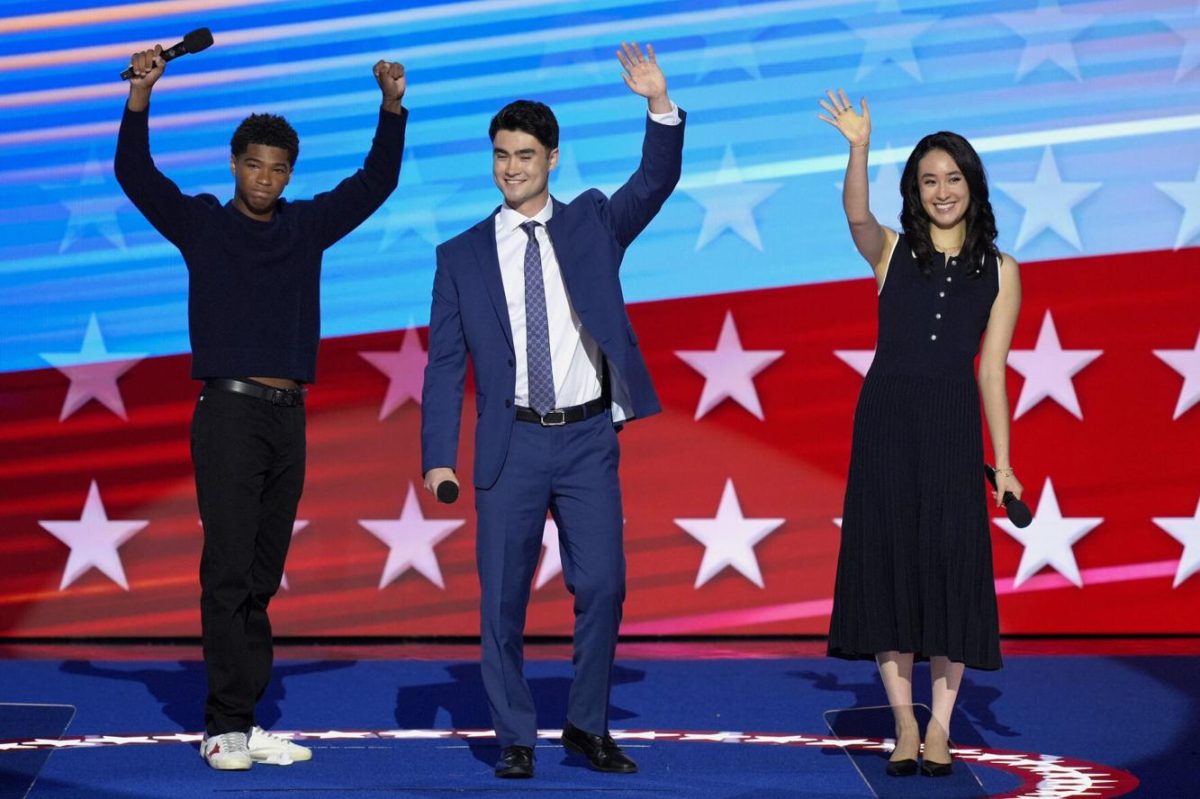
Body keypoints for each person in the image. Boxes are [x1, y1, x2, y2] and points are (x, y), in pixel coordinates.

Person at [115, 44, 408, 770]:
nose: (267, 178)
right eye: (255, 164)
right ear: (234, 164)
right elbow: (136, 175)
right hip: (228, 415)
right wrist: (142, 95)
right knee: (229, 568)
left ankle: (245, 721)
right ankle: (223, 724)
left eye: (279, 168)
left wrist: (392, 108)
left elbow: (375, 182)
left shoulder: (304, 227)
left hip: (288, 417)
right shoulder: (206, 225)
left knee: (263, 572)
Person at [420, 42, 684, 779]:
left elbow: (655, 181)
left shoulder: (593, 222)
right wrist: (438, 455)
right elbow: (444, 365)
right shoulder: (459, 255)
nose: (511, 168)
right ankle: (514, 734)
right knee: (502, 599)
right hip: (511, 443)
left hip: (587, 438)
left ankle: (586, 724)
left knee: (603, 583)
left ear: (554, 159)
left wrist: (658, 105)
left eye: (526, 155)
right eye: (502, 154)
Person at [818, 89, 1023, 778]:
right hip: (885, 426)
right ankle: (904, 726)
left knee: (951, 572)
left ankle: (941, 729)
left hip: (951, 429)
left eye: (953, 179)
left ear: (973, 186)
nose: (942, 191)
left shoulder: (1002, 271)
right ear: (916, 189)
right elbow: (855, 213)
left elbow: (992, 372)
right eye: (930, 180)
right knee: (890, 569)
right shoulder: (891, 254)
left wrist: (1006, 462)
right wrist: (858, 148)